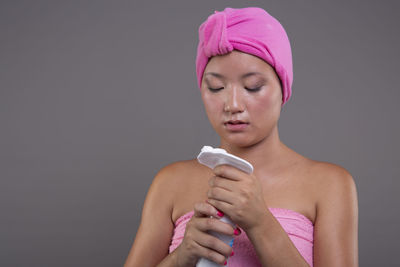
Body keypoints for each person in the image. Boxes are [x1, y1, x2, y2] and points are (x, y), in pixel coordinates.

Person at [124, 6, 358, 267]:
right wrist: (181, 257)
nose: (232, 104)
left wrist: (260, 222)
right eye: (216, 87)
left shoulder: (329, 184)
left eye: (252, 86)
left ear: (284, 87)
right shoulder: (169, 183)